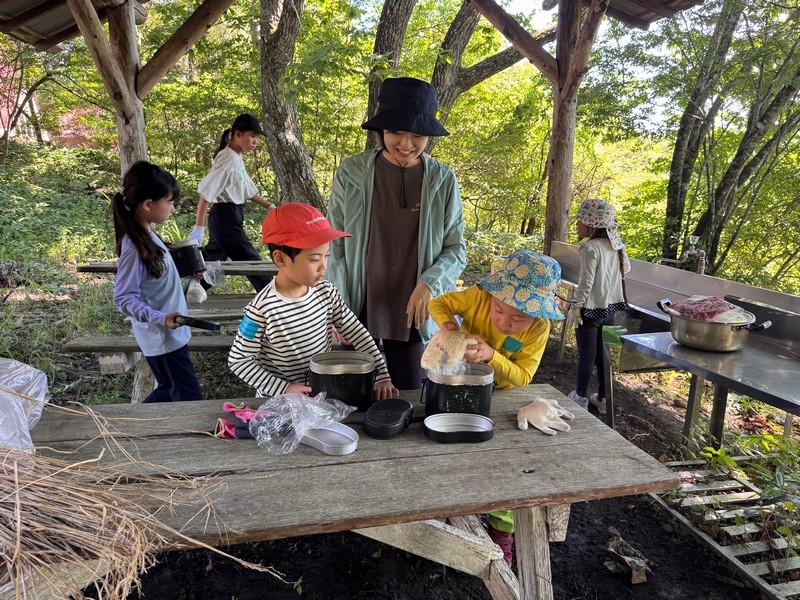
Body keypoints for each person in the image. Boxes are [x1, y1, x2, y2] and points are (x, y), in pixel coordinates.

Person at [326, 77, 466, 390]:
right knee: (354, 394)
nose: (406, 144)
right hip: (358, 300)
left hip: (413, 308)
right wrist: (337, 306)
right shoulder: (352, 171)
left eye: (417, 135)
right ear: (381, 131)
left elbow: (456, 249)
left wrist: (429, 284)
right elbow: (334, 243)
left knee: (409, 393)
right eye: (395, 132)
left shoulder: (443, 180)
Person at [428, 249, 564, 564]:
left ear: (536, 315)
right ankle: (460, 510)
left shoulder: (539, 328)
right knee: (456, 448)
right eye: (499, 310)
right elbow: (439, 303)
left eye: (518, 319)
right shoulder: (478, 296)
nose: (505, 322)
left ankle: (502, 527)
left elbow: (523, 377)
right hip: (460, 380)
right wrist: (450, 328)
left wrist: (492, 355)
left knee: (505, 464)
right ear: (493, 296)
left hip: (501, 393)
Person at [228, 202, 398, 400]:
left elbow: (357, 333)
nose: (323, 266)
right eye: (314, 259)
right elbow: (239, 361)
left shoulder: (326, 293)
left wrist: (381, 375)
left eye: (326, 256)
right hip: (278, 402)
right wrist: (285, 388)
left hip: (319, 396)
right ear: (281, 259)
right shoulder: (261, 310)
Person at [111, 161, 203, 403]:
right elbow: (123, 298)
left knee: (170, 391)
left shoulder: (147, 233)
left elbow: (154, 276)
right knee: (190, 400)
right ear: (148, 204)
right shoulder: (134, 246)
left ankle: (125, 422)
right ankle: (125, 421)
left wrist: (188, 273)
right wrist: (160, 318)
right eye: (169, 202)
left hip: (170, 333)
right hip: (162, 337)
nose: (173, 208)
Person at [189, 113, 276, 292]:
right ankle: (273, 299)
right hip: (226, 218)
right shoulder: (228, 158)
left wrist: (270, 206)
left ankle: (186, 295)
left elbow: (247, 190)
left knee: (212, 264)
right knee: (252, 263)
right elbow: (206, 192)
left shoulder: (235, 157)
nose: (255, 142)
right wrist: (199, 228)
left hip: (228, 216)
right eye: (252, 136)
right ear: (238, 134)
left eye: (257, 137)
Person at [565, 198, 631, 415]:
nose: (577, 224)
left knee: (586, 354)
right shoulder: (616, 244)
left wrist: (576, 307)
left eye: (580, 221)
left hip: (591, 310)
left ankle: (580, 397)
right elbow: (626, 269)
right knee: (603, 354)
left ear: (591, 225)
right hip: (612, 309)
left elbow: (586, 283)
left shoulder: (589, 247)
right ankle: (603, 398)